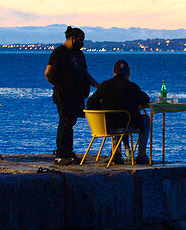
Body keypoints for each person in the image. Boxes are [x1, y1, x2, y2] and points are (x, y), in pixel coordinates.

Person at [45, 26, 99, 165]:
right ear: (72, 38)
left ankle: (68, 151)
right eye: (81, 40)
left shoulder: (79, 54)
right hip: (64, 94)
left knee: (70, 123)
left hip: (77, 94)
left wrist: (96, 85)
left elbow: (85, 73)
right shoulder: (59, 53)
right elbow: (48, 73)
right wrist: (59, 85)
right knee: (65, 122)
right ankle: (61, 153)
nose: (82, 43)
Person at [86, 59, 151, 164]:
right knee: (146, 119)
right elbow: (145, 99)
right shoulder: (132, 87)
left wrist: (103, 107)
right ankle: (141, 154)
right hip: (127, 125)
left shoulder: (105, 85)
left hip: (107, 126)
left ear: (114, 71)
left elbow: (90, 103)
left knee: (114, 115)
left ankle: (116, 153)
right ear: (128, 73)